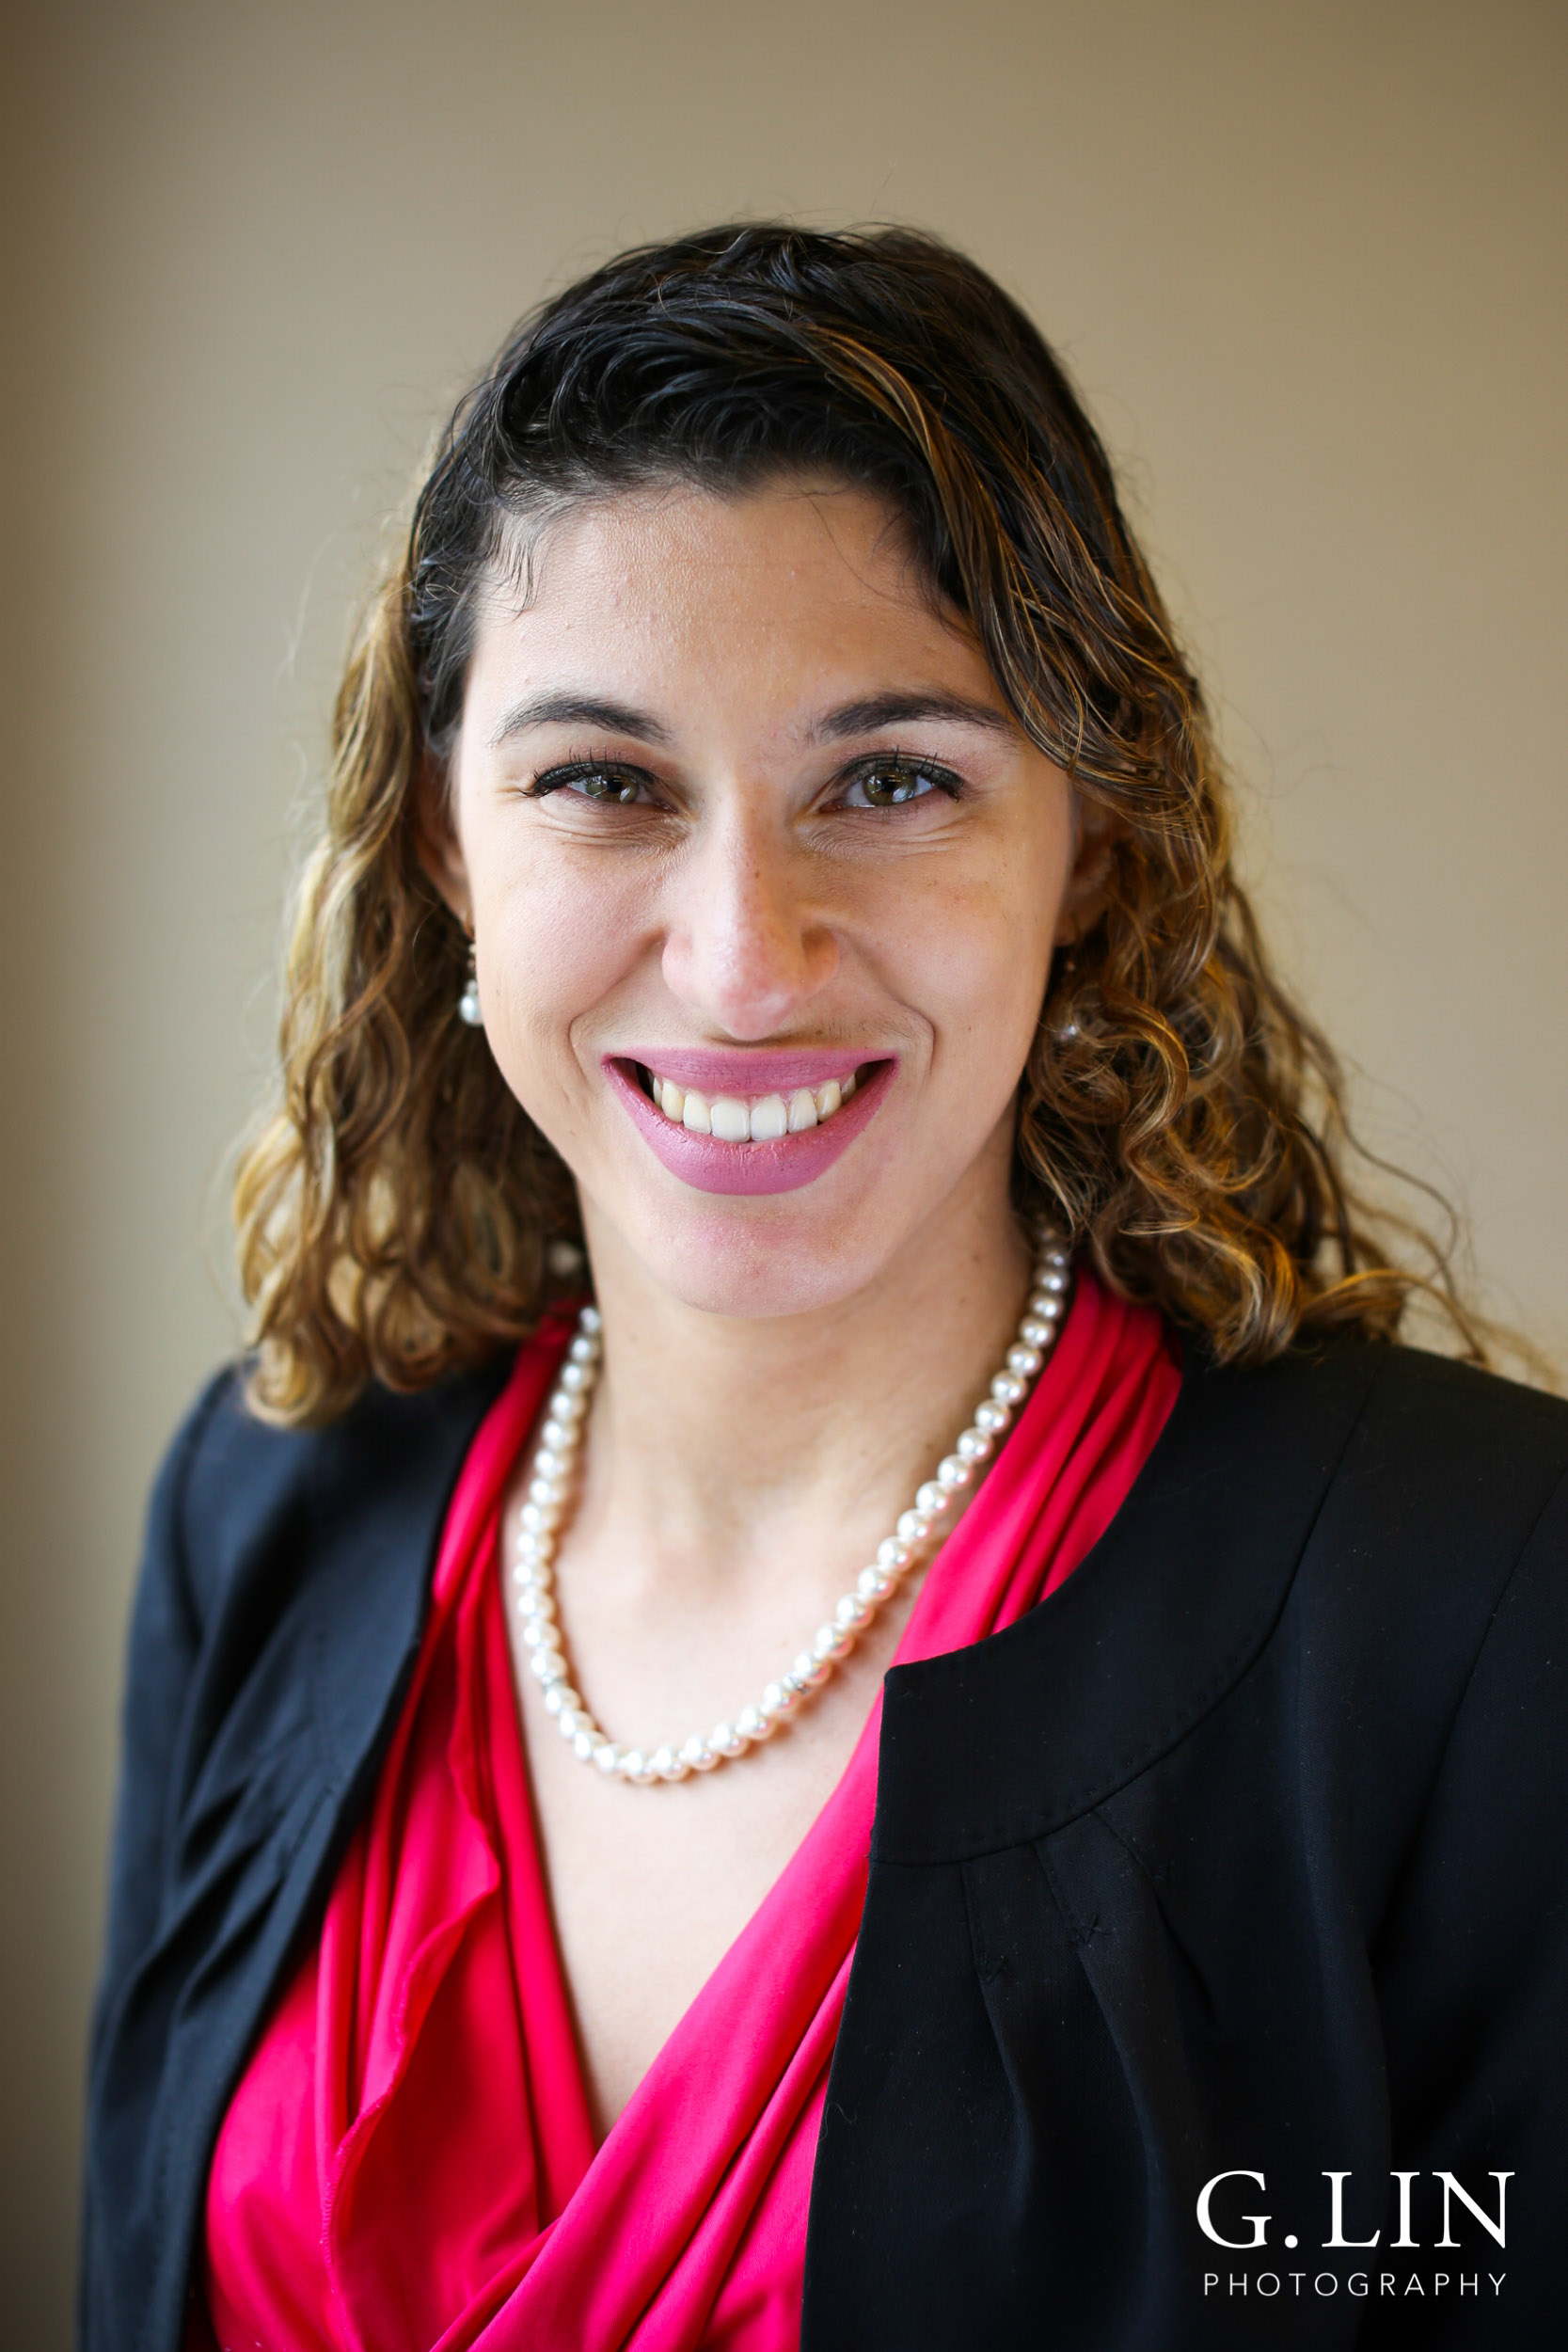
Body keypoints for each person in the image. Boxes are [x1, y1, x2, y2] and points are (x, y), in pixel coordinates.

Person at [81, 226, 1566, 2352]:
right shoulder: (261, 1506)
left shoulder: (1484, 1605)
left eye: (890, 779)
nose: (743, 955)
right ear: (441, 847)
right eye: (605, 782)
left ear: (1095, 843)